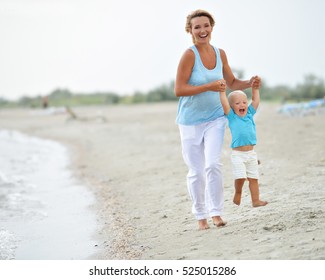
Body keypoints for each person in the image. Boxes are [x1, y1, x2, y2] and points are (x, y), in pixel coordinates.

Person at [174, 9, 261, 230]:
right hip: (190, 121)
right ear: (190, 31)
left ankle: (216, 213)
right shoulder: (189, 55)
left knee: (213, 164)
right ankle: (200, 215)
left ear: (212, 27)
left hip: (216, 117)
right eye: (197, 27)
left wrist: (249, 83)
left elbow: (231, 81)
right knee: (196, 171)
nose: (202, 30)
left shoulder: (220, 53)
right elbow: (179, 89)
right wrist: (209, 86)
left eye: (206, 25)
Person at [219, 86, 268, 207]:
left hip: (251, 154)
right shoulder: (231, 116)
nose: (242, 105)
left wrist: (255, 89)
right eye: (237, 103)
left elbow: (255, 101)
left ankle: (255, 200)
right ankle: (238, 192)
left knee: (254, 178)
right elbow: (224, 102)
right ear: (231, 107)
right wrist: (221, 91)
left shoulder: (250, 113)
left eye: (244, 102)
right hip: (238, 155)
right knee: (240, 177)